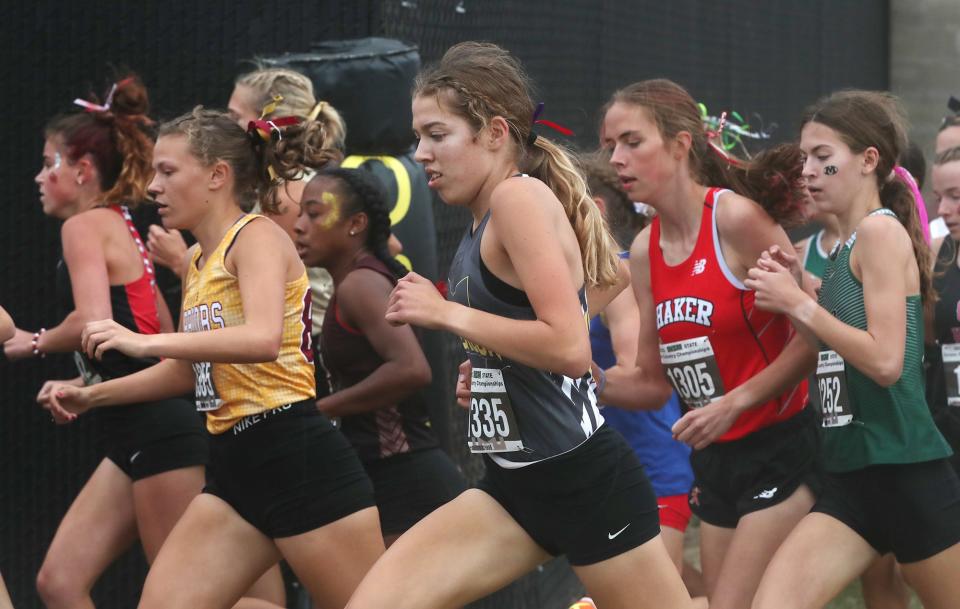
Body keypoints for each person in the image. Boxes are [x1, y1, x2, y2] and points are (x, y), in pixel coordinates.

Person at [342, 41, 691, 609]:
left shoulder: (517, 199)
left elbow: (570, 347)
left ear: (495, 132)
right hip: (515, 488)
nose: (422, 154)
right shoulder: (486, 216)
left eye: (437, 134)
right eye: (417, 138)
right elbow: (607, 282)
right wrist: (494, 367)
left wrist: (447, 313)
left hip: (583, 482)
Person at [43, 107, 384, 609]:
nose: (153, 187)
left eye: (168, 171)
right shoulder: (200, 261)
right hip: (233, 469)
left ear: (217, 176)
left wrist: (145, 341)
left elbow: (263, 338)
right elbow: (185, 372)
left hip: (296, 458)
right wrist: (91, 395)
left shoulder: (258, 236)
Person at [599, 79, 818, 609]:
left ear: (679, 145)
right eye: (610, 147)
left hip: (782, 446)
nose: (616, 160)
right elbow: (651, 384)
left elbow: (814, 336)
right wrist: (569, 378)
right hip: (716, 462)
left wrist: (735, 402)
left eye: (632, 142)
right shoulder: (645, 249)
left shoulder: (737, 220)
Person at [0, 76, 215, 609]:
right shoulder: (121, 223)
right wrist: (84, 380)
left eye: (49, 163)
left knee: (182, 597)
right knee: (59, 581)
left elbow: (95, 322)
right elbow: (153, 337)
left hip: (158, 428)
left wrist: (32, 341)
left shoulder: (84, 227)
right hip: (140, 425)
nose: (39, 177)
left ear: (83, 170)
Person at [748, 90, 960, 609]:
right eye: (804, 160)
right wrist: (801, 287)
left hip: (906, 471)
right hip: (851, 476)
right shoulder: (841, 248)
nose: (809, 173)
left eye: (825, 158)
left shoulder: (880, 232)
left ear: (868, 161)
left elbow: (888, 363)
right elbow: (831, 350)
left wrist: (799, 304)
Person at [293, 167, 466, 547]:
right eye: (299, 214)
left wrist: (320, 410)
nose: (299, 226)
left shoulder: (361, 283)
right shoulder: (352, 282)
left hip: (407, 478)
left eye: (314, 213)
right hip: (383, 474)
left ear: (355, 223)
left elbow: (411, 369)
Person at [579, 154, 705, 601]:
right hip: (605, 467)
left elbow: (635, 370)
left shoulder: (619, 273)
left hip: (654, 467)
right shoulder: (569, 281)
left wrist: (573, 373)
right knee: (684, 591)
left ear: (593, 208)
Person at [927, 145, 960, 472]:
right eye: (939, 198)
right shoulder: (939, 251)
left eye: (956, 196)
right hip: (948, 424)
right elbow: (927, 337)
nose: (945, 210)